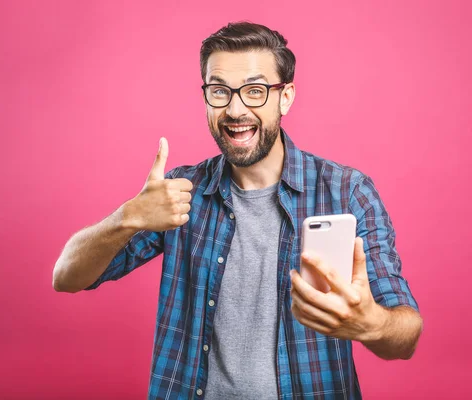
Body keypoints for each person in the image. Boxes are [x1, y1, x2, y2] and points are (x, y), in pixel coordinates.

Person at [53, 21, 423, 400]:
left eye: (255, 91)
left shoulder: (347, 192)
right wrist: (127, 216)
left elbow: (405, 336)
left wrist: (371, 325)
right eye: (219, 91)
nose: (235, 109)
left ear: (286, 97)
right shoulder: (181, 193)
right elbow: (66, 277)